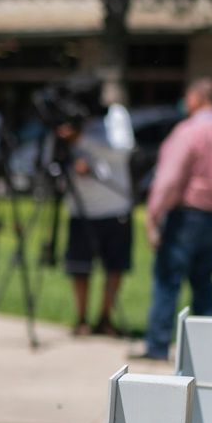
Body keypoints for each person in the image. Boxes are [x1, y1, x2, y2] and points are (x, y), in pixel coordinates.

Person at [135, 77, 212, 361]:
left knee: (167, 279)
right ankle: (207, 351)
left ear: (197, 98)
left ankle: (157, 345)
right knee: (204, 281)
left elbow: (169, 179)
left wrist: (153, 216)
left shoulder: (188, 132)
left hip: (186, 215)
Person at [59, 103, 136, 337]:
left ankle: (105, 318)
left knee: (114, 267)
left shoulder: (116, 115)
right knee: (80, 268)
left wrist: (80, 139)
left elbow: (123, 149)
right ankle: (81, 319)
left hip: (115, 206)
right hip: (80, 208)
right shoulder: (65, 121)